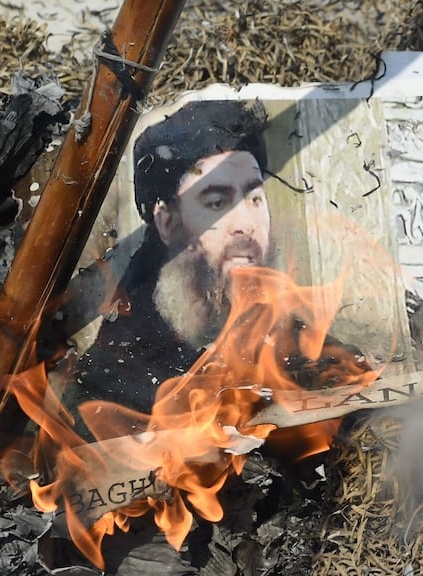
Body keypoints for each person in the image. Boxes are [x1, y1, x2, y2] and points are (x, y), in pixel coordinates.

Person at [66, 99, 273, 430]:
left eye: (254, 199)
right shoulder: (111, 381)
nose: (245, 224)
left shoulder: (293, 335)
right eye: (218, 202)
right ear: (167, 222)